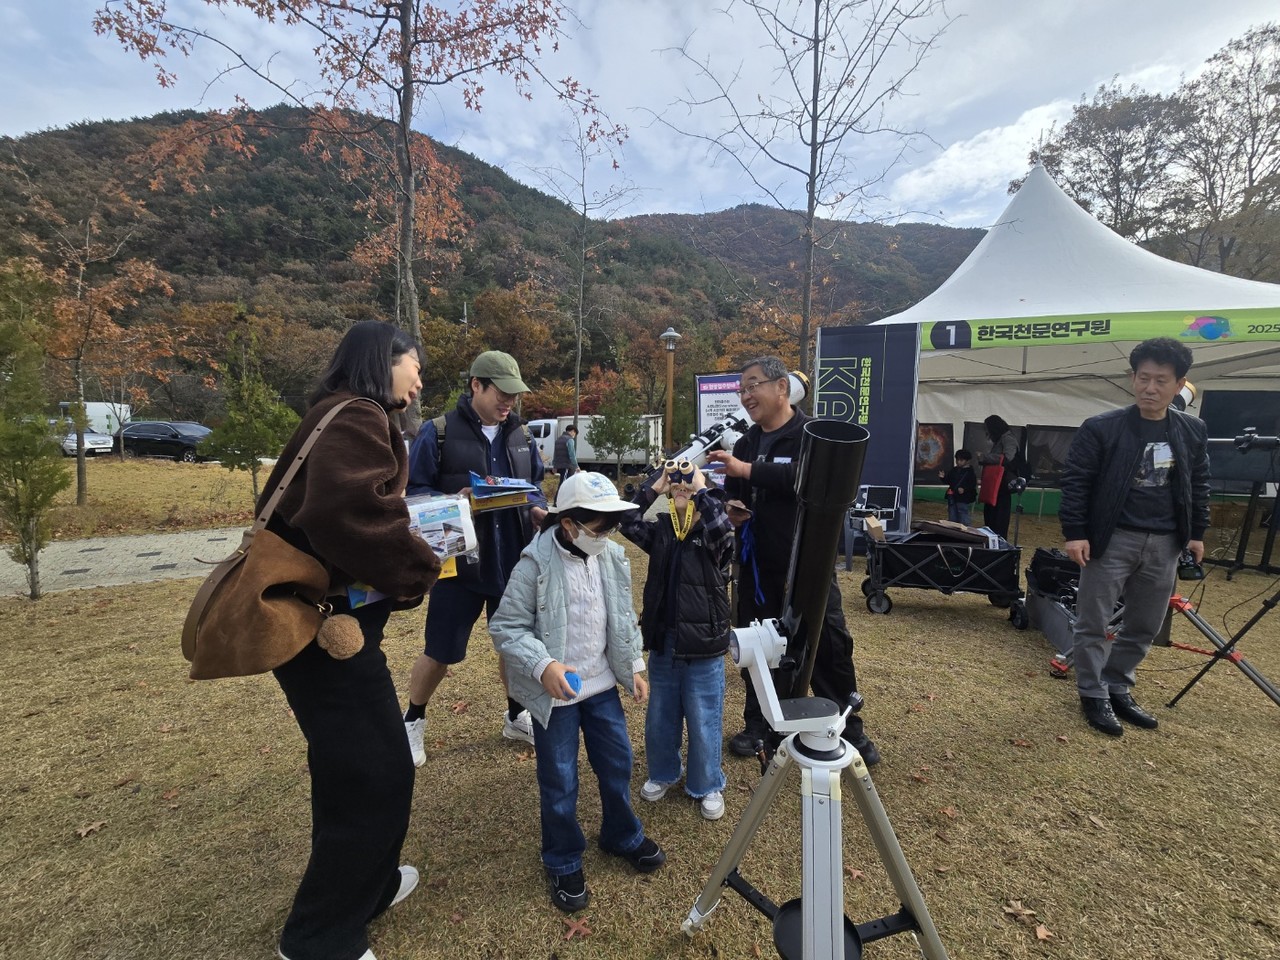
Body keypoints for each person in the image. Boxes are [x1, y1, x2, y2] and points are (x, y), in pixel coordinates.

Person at [266, 321, 443, 960]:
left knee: (351, 769)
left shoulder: (338, 413)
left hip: (321, 625)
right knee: (376, 774)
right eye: (414, 366)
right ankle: (319, 938)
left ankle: (370, 886)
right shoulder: (358, 415)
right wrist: (421, 568)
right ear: (381, 360)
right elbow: (344, 513)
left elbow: (346, 509)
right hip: (323, 633)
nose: (419, 382)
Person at [490, 471, 666, 913]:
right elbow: (506, 627)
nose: (607, 536)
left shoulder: (611, 557)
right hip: (558, 696)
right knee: (560, 778)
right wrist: (543, 665)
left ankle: (621, 834)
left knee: (617, 762)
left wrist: (633, 665)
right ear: (568, 524)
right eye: (599, 528)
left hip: (602, 685)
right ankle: (563, 856)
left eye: (612, 527)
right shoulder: (533, 565)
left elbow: (621, 616)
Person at [707, 356, 880, 766]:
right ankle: (760, 725)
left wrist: (748, 470)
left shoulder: (812, 435)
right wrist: (732, 507)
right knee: (758, 646)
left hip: (809, 566)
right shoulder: (747, 442)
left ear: (782, 387)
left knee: (828, 644)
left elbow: (809, 478)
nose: (745, 395)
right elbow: (734, 492)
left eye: (753, 385)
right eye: (742, 389)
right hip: (757, 567)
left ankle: (847, 727)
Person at [402, 351, 547, 764]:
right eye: (502, 393)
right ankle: (412, 721)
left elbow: (534, 485)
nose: (509, 403)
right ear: (476, 385)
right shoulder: (439, 432)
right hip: (459, 566)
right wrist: (455, 501)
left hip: (514, 562)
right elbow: (414, 492)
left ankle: (516, 716)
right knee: (440, 650)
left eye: (514, 395)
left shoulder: (521, 435)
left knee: (515, 648)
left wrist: (537, 508)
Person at [1061, 337, 1210, 737]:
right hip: (1111, 538)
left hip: (1165, 542)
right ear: (1133, 378)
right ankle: (1092, 693)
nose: (1150, 388)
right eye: (1143, 378)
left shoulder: (1191, 430)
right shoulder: (1102, 428)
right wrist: (1075, 533)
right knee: (1093, 621)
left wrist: (1196, 533)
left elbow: (1198, 483)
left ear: (1179, 385)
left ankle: (1117, 685)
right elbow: (1076, 482)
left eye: (1161, 380)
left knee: (1145, 624)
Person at [619, 461, 733, 821]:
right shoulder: (663, 530)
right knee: (661, 716)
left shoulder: (714, 534)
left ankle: (707, 782)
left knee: (704, 718)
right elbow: (626, 521)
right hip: (664, 640)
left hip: (704, 644)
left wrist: (701, 487)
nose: (681, 489)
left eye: (688, 486)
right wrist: (655, 485)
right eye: (677, 486)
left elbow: (722, 527)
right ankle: (663, 772)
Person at [976, 415, 1019, 539]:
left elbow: (1008, 458)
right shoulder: (1001, 440)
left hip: (1002, 484)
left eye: (988, 429)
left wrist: (985, 457)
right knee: (991, 513)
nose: (987, 432)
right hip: (995, 484)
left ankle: (998, 540)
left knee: (999, 516)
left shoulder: (1008, 439)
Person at [940, 448, 977, 526]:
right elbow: (948, 481)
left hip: (964, 498)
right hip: (953, 496)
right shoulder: (954, 470)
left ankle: (965, 530)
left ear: (967, 461)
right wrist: (943, 477)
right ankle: (953, 529)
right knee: (952, 514)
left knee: (963, 514)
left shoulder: (970, 472)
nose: (958, 462)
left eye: (961, 460)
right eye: (957, 460)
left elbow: (973, 484)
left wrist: (964, 489)